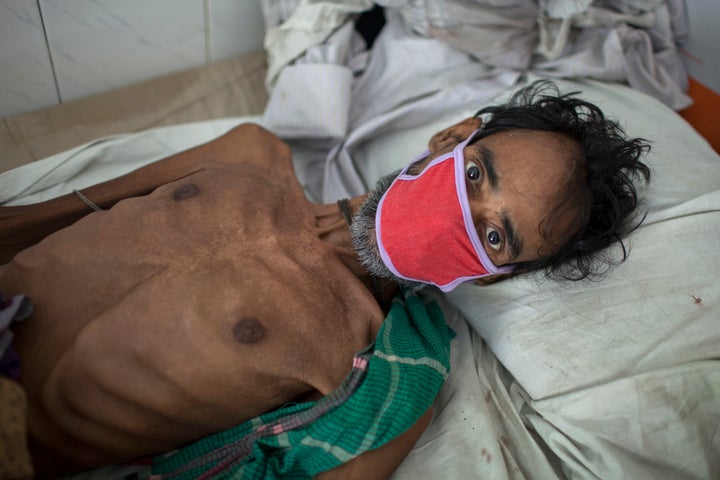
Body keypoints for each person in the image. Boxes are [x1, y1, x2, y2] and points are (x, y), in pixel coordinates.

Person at [0, 81, 650, 478]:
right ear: (451, 137)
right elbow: (55, 210)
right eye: (476, 175)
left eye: (495, 234)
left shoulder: (378, 367)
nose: (463, 212)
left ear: (489, 276)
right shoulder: (249, 154)